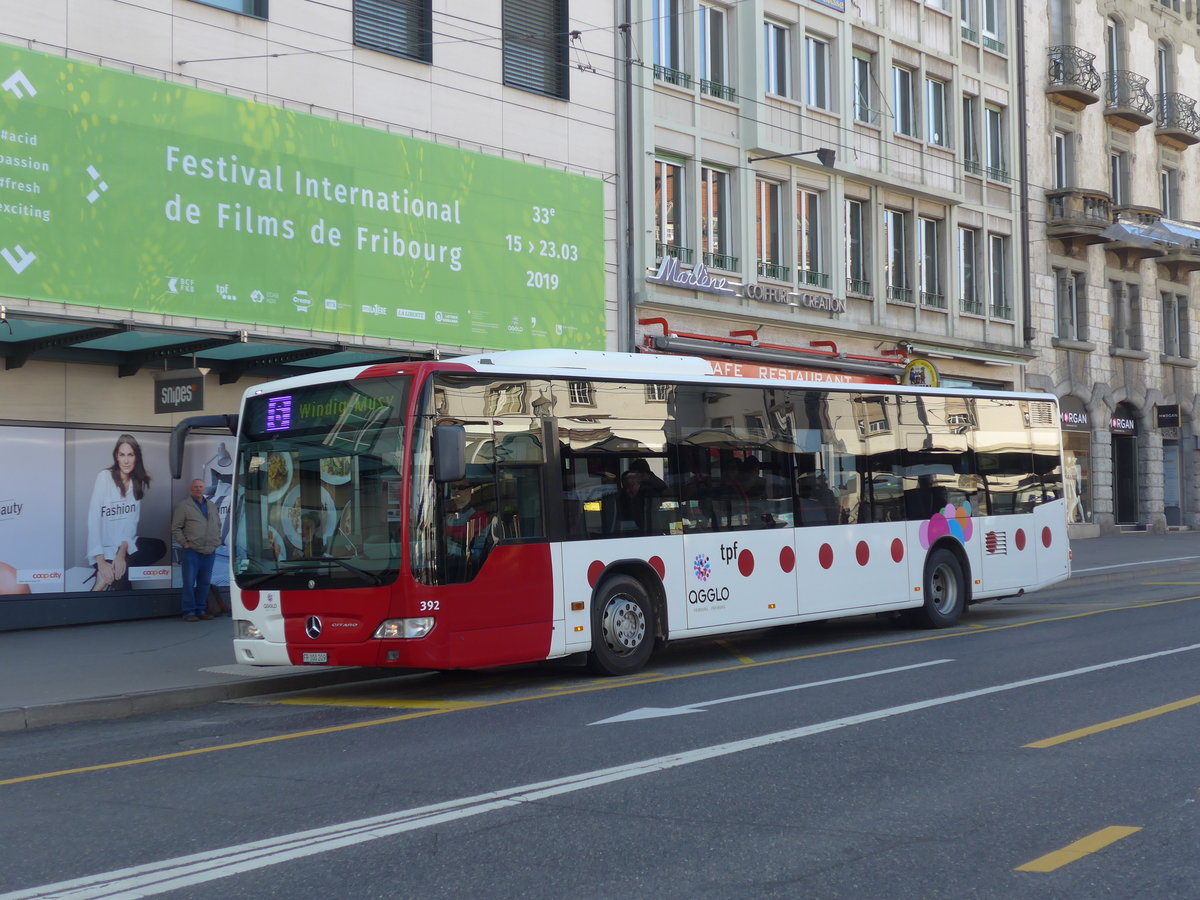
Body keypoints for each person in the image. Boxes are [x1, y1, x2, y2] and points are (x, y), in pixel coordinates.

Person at [85, 434, 166, 592]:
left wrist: (121, 555)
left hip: (124, 545)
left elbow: (131, 523)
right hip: (103, 549)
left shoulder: (136, 482)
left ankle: (108, 576)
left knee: (159, 546)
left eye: (130, 455)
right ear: (116, 456)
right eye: (122, 455)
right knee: (123, 582)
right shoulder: (104, 477)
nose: (126, 460)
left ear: (136, 457)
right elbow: (93, 520)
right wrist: (101, 562)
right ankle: (100, 582)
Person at [171, 478, 222, 621]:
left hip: (209, 551)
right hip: (192, 551)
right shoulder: (184, 506)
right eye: (195, 487)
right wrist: (184, 543)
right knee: (189, 582)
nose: (198, 489)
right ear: (190, 489)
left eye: (200, 487)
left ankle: (201, 610)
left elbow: (217, 524)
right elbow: (175, 527)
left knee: (204, 583)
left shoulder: (211, 505)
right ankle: (189, 612)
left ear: (204, 489)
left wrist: (216, 541)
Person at [444, 480, 492, 580]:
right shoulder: (445, 512)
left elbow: (466, 538)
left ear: (470, 490)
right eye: (454, 487)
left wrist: (446, 528)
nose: (457, 491)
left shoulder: (479, 515)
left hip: (466, 568)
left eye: (461, 488)